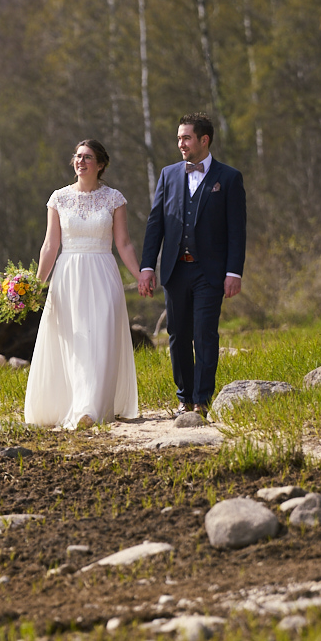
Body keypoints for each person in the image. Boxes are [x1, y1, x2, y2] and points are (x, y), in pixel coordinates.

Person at [23, 138, 143, 428]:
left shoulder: (114, 199)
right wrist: (36, 285)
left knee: (100, 337)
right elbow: (50, 246)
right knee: (74, 340)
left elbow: (124, 244)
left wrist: (141, 276)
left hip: (103, 272)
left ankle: (91, 409)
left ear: (100, 164)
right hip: (68, 275)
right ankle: (76, 405)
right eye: (78, 156)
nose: (81, 161)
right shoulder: (59, 198)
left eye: (88, 157)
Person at [137, 114, 246, 419]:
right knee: (177, 334)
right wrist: (147, 266)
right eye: (179, 138)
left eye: (186, 138)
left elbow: (237, 230)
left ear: (204, 140)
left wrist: (234, 272)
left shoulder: (229, 178)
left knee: (205, 333)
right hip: (175, 270)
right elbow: (155, 223)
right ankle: (184, 398)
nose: (181, 144)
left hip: (210, 272)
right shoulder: (168, 175)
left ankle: (202, 400)